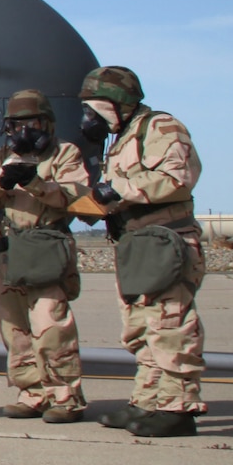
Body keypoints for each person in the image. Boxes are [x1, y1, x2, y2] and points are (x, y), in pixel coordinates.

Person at [78, 66, 208, 437]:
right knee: (140, 328)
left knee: (170, 325)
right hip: (136, 243)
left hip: (165, 241)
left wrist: (117, 189)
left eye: (95, 109)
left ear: (118, 104)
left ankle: (178, 406)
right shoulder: (122, 138)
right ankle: (149, 400)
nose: (89, 119)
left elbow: (176, 177)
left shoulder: (161, 128)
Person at [0, 91, 91, 421]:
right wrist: (1, 182)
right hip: (11, 250)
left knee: (50, 324)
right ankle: (32, 391)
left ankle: (65, 395)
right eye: (17, 125)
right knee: (15, 329)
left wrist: (36, 183)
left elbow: (75, 196)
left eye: (32, 124)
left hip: (47, 246)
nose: (25, 132)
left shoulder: (65, 153)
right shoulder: (0, 157)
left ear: (47, 124)